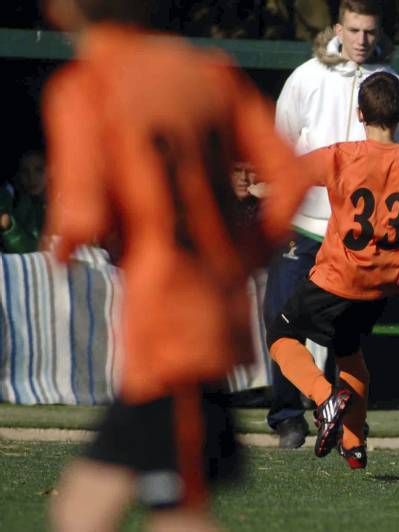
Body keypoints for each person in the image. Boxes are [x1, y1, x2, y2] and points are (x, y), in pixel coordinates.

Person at [41, 1, 311, 530]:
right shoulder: (208, 72)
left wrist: (67, 242)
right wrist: (243, 252)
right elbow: (291, 177)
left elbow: (83, 213)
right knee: (84, 509)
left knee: (179, 514)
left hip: (168, 329)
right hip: (198, 319)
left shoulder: (84, 86)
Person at [268, 71, 399, 470]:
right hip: (382, 288)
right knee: (350, 355)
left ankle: (325, 399)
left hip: (338, 277)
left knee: (280, 333)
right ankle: (355, 447)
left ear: (359, 113)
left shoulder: (342, 154)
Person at [265, 0, 399, 449]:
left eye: (370, 31)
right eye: (354, 30)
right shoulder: (306, 77)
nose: (362, 40)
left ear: (379, 30)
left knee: (346, 338)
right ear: (338, 27)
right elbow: (283, 141)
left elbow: (397, 163)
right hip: (305, 224)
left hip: (357, 238)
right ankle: (289, 417)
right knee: (281, 319)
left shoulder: (395, 86)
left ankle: (348, 427)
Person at [0, 151, 47, 253]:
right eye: (25, 171)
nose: (31, 178)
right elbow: (30, 248)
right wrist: (9, 226)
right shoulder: (12, 199)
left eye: (39, 170)